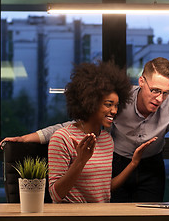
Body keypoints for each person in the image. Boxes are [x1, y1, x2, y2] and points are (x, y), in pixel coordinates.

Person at [1, 57, 169, 202]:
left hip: (151, 166)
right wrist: (28, 138)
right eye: (155, 90)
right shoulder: (120, 98)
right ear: (142, 81)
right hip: (117, 161)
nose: (159, 98)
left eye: (166, 93)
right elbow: (75, 125)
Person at [48, 61, 156, 203]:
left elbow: (105, 188)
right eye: (108, 104)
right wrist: (81, 160)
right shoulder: (62, 138)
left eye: (117, 105)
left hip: (102, 216)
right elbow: (55, 195)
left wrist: (133, 163)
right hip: (72, 218)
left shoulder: (106, 139)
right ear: (90, 102)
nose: (114, 111)